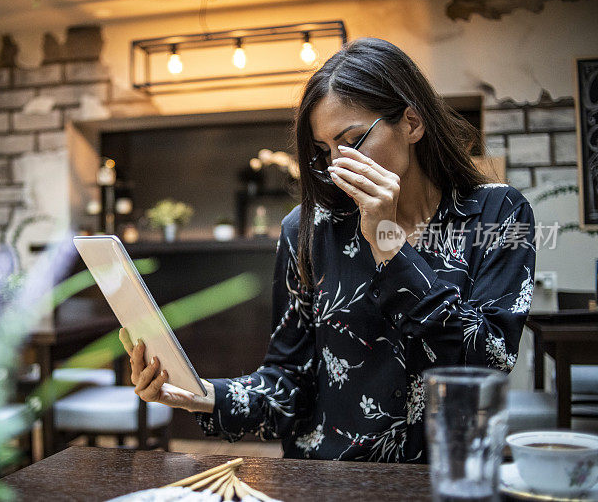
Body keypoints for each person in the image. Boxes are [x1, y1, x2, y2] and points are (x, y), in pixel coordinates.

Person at [119, 37, 536, 462]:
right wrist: (202, 395)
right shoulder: (307, 229)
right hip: (328, 477)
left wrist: (389, 244)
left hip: (450, 473)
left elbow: (490, 361)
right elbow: (290, 381)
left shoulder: (497, 213)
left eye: (352, 141)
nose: (337, 166)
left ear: (412, 123)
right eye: (324, 152)